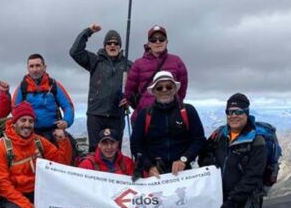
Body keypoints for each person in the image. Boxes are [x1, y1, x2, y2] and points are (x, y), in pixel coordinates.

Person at [130, 71, 205, 208]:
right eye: (160, 88)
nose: (164, 91)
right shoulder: (145, 114)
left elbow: (198, 139)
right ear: (153, 91)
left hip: (183, 175)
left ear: (175, 89)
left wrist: (184, 159)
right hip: (157, 176)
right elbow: (137, 145)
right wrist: (148, 166)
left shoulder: (187, 111)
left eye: (168, 87)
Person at [69, 23, 132, 151]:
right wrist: (88, 31)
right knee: (95, 150)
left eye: (116, 43)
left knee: (115, 151)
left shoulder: (129, 65)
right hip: (95, 114)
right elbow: (75, 52)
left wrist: (131, 99)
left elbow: (138, 87)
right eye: (109, 43)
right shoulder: (95, 60)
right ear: (104, 46)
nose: (112, 45)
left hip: (117, 115)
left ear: (120, 46)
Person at [122, 25, 188, 122]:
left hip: (171, 116)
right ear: (148, 43)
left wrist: (174, 101)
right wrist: (140, 105)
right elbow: (129, 92)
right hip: (144, 117)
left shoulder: (177, 61)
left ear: (166, 42)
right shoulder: (138, 64)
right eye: (153, 39)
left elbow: (182, 88)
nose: (157, 42)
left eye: (161, 39)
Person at [12, 54, 76, 149]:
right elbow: (14, 110)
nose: (35, 69)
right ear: (28, 68)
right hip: (31, 133)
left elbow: (68, 106)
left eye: (38, 65)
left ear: (44, 67)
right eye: (31, 66)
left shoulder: (54, 85)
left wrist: (66, 121)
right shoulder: (22, 88)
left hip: (53, 132)